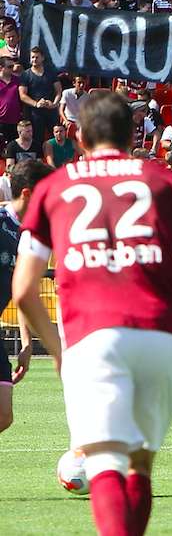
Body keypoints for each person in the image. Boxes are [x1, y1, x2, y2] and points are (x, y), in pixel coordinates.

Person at [12, 91, 172, 536]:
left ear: (79, 136)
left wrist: (60, 352)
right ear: (131, 134)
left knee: (104, 462)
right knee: (139, 465)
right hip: (161, 336)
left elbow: (24, 288)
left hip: (93, 336)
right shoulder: (165, 180)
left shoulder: (53, 187)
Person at [0, 160, 53, 436]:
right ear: (28, 195)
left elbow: (24, 290)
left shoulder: (32, 235)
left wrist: (26, 343)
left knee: (4, 415)